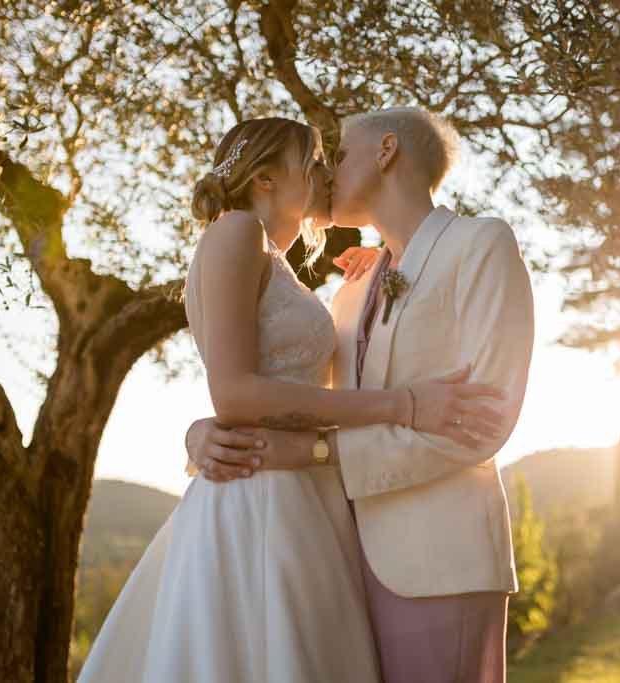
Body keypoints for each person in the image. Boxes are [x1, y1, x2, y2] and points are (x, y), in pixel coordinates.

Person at [75, 116, 505, 683]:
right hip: (264, 498)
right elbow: (236, 393)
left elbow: (279, 385)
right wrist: (403, 405)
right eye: (314, 161)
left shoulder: (282, 263)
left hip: (308, 493)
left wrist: (381, 263)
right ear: (266, 179)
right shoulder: (235, 233)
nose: (326, 174)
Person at [187, 107, 535, 683]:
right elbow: (282, 393)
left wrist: (321, 456)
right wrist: (203, 432)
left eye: (338, 155)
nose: (326, 173)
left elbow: (484, 420)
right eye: (317, 162)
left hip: (438, 561)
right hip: (334, 555)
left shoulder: (481, 245)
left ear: (387, 151)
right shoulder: (351, 290)